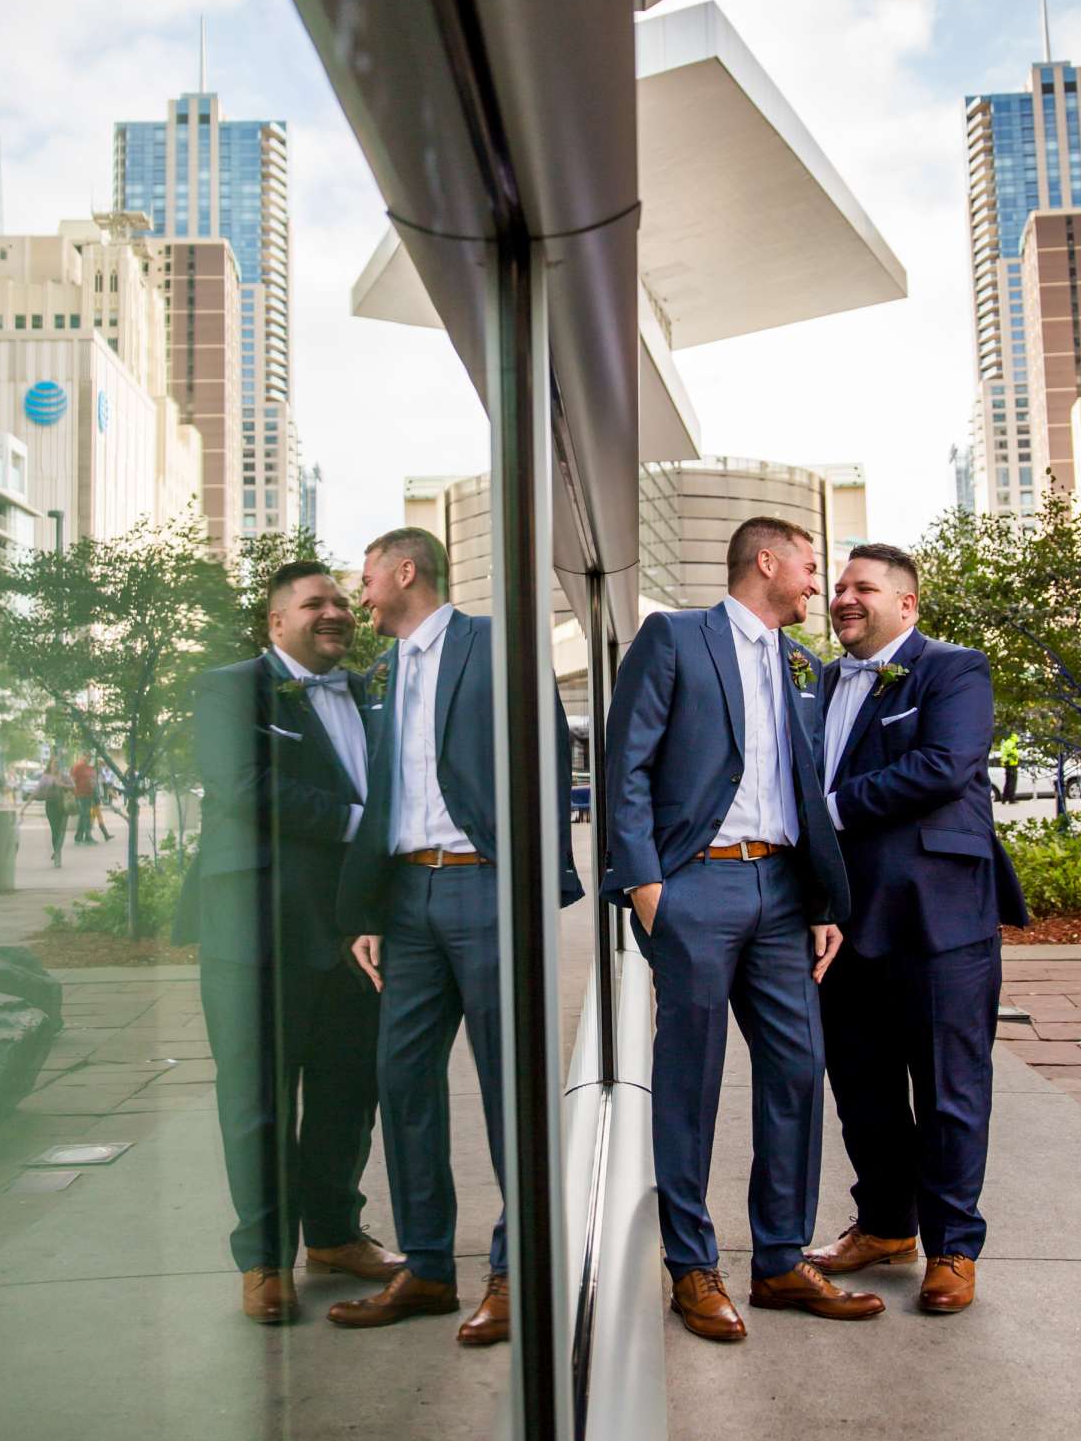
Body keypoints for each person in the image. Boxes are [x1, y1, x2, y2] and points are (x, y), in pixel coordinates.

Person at [602, 515, 867, 1345]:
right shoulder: (675, 638)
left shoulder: (805, 666)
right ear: (766, 562)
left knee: (798, 1065)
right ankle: (691, 1265)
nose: (819, 583)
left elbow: (805, 786)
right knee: (691, 1080)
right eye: (810, 566)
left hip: (784, 891)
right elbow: (628, 764)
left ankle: (783, 1259)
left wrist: (824, 902)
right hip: (696, 886)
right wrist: (647, 885)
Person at [334, 528, 583, 1345]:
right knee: (402, 1079)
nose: (360, 592)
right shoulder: (379, 675)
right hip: (406, 898)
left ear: (406, 571)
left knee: (510, 1086)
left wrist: (537, 888)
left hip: (487, 885)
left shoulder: (493, 644)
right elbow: (380, 800)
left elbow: (545, 758)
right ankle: (430, 1269)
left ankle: (516, 1274)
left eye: (366, 576)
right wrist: (366, 911)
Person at [807, 543, 1027, 1318]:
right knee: (860, 1088)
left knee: (949, 1090)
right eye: (837, 587)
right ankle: (886, 1227)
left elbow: (943, 765)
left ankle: (953, 1248)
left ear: (908, 605)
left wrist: (822, 813)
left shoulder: (953, 669)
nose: (844, 598)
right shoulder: (825, 680)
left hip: (941, 919)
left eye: (863, 587)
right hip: (842, 922)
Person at [192, 563, 403, 1327]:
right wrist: (364, 823)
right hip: (260, 932)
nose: (336, 612)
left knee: (350, 1093)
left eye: (342, 601)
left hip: (357, 933)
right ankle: (264, 1260)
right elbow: (245, 787)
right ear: (275, 622)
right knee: (258, 1101)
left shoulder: (373, 689)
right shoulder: (229, 689)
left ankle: (336, 1235)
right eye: (314, 603)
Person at [21, 756, 73, 866]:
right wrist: (24, 808)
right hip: (51, 806)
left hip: (64, 806)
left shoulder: (64, 777)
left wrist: (62, 785)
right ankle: (57, 852)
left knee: (61, 831)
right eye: (55, 763)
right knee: (55, 831)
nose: (57, 765)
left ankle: (57, 852)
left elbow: (73, 787)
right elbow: (36, 792)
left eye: (59, 763)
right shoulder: (45, 778)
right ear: (50, 765)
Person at [69, 754, 98, 844]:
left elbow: (94, 781)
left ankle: (78, 836)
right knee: (85, 815)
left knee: (84, 815)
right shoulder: (78, 766)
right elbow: (72, 780)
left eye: (89, 756)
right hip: (81, 795)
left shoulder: (90, 768)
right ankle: (88, 836)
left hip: (90, 795)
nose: (88, 758)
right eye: (86, 756)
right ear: (83, 756)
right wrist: (73, 793)